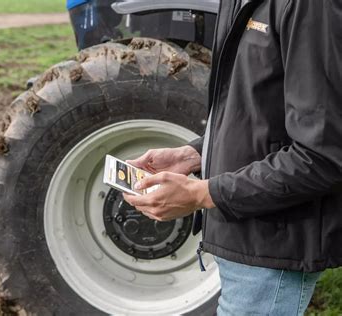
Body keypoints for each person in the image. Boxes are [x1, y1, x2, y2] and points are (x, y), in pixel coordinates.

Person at [123, 0, 342, 315]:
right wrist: (193, 154)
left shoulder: (309, 7)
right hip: (241, 232)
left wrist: (204, 193)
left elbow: (322, 155)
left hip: (273, 244)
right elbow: (253, 109)